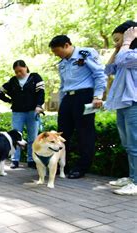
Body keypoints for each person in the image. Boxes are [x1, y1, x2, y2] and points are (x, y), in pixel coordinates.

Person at [49, 35, 107, 179]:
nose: (56, 54)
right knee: (62, 134)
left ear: (67, 45)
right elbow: (63, 85)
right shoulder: (62, 63)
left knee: (84, 133)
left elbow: (100, 74)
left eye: (57, 51)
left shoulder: (86, 54)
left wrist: (98, 96)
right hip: (68, 98)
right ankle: (62, 165)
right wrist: (62, 103)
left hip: (84, 96)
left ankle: (82, 167)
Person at [104, 21, 137, 195]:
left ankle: (136, 182)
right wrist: (118, 48)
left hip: (134, 104)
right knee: (128, 144)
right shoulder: (125, 53)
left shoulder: (132, 55)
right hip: (123, 104)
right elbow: (108, 69)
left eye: (118, 40)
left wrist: (126, 42)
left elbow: (124, 59)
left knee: (134, 145)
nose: (116, 44)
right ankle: (132, 177)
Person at [0, 60, 45, 169]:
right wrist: (9, 100)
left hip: (33, 111)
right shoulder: (12, 81)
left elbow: (41, 92)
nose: (18, 74)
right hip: (17, 112)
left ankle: (31, 160)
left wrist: (39, 105)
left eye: (20, 71)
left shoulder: (35, 77)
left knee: (33, 137)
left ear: (26, 68)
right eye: (16, 72)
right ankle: (15, 160)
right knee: (15, 136)